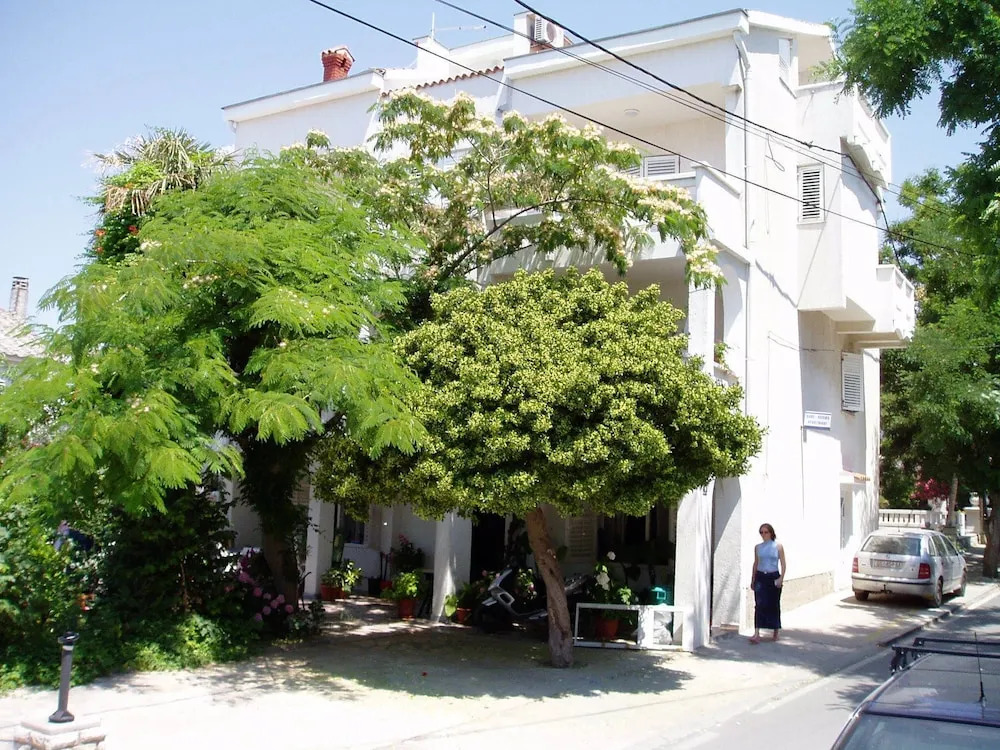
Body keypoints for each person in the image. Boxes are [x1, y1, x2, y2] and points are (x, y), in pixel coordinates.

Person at [749, 522, 785, 644]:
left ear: (771, 533)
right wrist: (753, 579)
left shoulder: (778, 546)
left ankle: (775, 630)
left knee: (774, 604)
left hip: (773, 576)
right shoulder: (758, 547)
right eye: (761, 532)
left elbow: (783, 563)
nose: (763, 534)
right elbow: (756, 563)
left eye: (766, 532)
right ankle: (756, 633)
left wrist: (781, 578)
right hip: (761, 576)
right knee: (759, 604)